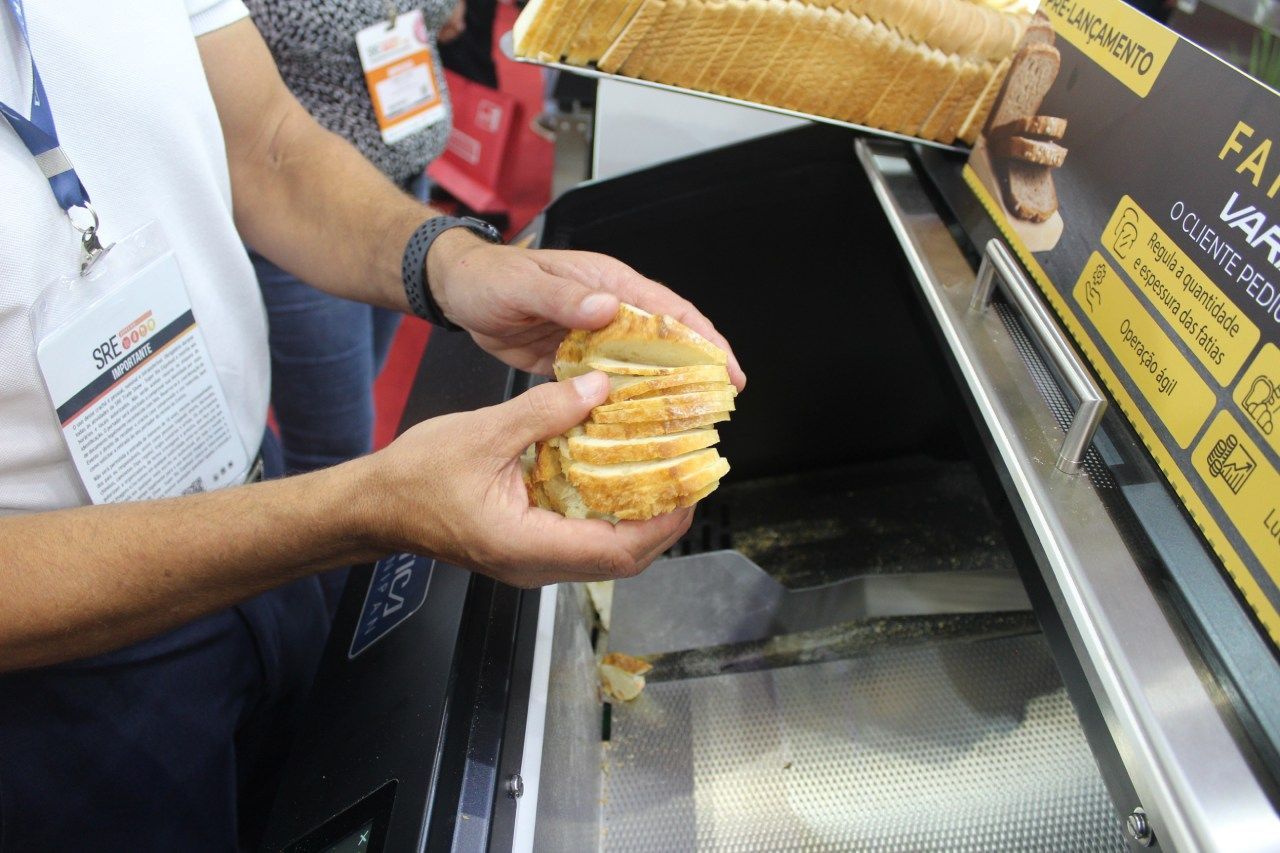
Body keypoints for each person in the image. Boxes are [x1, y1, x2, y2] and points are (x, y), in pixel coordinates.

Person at [0, 2, 744, 850]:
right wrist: (360, 509)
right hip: (54, 681)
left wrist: (453, 261)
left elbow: (269, 144)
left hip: (248, 491)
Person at [243, 0, 463, 612]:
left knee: (357, 386)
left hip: (401, 182)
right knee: (335, 447)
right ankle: (334, 633)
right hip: (305, 218)